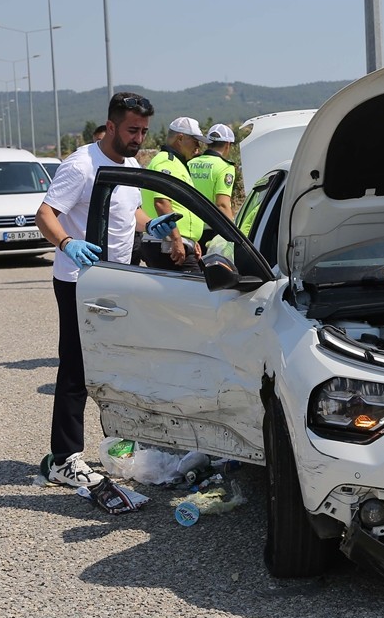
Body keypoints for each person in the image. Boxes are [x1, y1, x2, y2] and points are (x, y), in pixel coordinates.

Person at [34, 92, 179, 487]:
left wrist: (150, 225)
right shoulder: (81, 165)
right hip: (80, 282)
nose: (139, 138)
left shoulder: (130, 164)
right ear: (112, 126)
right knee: (77, 367)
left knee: (117, 364)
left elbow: (128, 211)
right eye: (133, 130)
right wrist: (67, 244)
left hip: (117, 280)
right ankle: (64, 458)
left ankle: (121, 444)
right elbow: (45, 214)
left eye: (145, 131)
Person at [140, 116, 208, 270]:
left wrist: (190, 239)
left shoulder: (178, 164)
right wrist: (177, 239)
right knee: (197, 291)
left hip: (173, 242)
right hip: (167, 244)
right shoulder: (166, 162)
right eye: (196, 141)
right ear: (180, 138)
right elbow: (162, 203)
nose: (198, 147)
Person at [186, 123, 237, 221]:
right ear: (227, 145)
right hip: (211, 227)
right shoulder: (225, 167)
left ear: (207, 143)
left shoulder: (189, 163)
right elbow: (222, 204)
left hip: (190, 225)